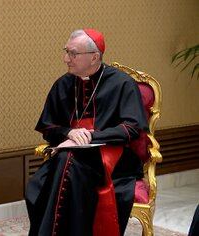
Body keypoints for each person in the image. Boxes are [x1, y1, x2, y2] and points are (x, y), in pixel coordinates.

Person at [25, 29, 148, 236]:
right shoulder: (63, 84)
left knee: (67, 161)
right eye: (66, 52)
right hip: (70, 154)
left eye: (73, 54)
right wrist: (70, 133)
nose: (66, 59)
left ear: (94, 57)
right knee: (39, 182)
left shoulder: (122, 84)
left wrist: (90, 136)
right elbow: (47, 126)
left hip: (113, 158)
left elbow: (133, 128)